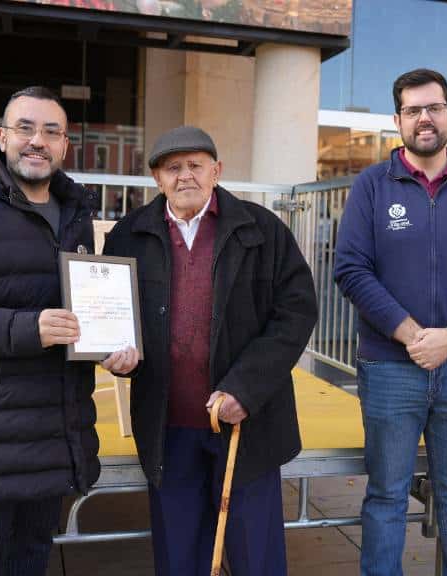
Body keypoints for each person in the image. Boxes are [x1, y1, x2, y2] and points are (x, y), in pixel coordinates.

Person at [0, 86, 136, 576]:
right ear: (2, 138)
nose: (37, 140)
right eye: (25, 128)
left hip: (57, 427)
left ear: (65, 146)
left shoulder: (76, 215)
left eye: (51, 131)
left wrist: (109, 349)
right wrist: (29, 328)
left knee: (34, 555)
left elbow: (79, 308)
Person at [103, 126, 317, 576]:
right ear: (157, 179)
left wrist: (246, 388)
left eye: (196, 165)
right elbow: (116, 318)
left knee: (254, 555)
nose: (185, 176)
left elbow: (296, 313)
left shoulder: (261, 230)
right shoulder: (128, 236)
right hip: (168, 427)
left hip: (246, 427)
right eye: (172, 167)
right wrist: (113, 355)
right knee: (180, 557)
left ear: (216, 171)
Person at [334, 68, 447, 576]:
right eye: (413, 110)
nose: (425, 119)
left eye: (434, 107)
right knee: (387, 495)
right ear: (397, 120)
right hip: (391, 369)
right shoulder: (372, 185)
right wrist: (414, 336)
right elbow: (350, 269)